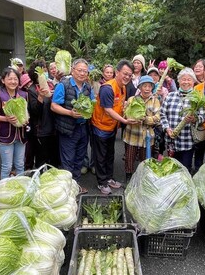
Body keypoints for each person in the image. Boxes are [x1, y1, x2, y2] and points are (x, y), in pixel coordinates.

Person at [92, 60, 137, 194]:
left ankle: (109, 178)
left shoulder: (123, 87)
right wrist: (125, 120)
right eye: (125, 74)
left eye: (130, 75)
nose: (127, 77)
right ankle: (101, 182)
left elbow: (120, 106)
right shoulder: (107, 88)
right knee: (100, 156)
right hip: (100, 127)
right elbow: (108, 110)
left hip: (111, 127)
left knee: (110, 155)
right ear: (117, 72)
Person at [51, 58, 94, 194]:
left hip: (83, 128)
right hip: (68, 129)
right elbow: (54, 106)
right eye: (79, 70)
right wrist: (70, 113)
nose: (82, 73)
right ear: (72, 71)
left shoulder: (87, 87)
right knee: (68, 160)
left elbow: (93, 103)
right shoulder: (63, 85)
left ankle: (76, 185)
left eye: (85, 71)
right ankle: (67, 189)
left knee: (79, 158)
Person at [0, 67, 28, 179]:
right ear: (3, 80)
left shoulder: (24, 95)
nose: (13, 81)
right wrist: (6, 119)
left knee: (20, 165)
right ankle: (4, 191)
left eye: (15, 79)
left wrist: (26, 119)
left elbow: (26, 113)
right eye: (10, 79)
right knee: (7, 166)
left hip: (21, 135)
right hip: (4, 135)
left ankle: (21, 188)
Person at [123, 75, 161, 181]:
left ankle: (143, 178)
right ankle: (128, 177)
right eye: (145, 86)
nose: (147, 88)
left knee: (145, 158)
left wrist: (145, 119)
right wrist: (130, 116)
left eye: (149, 86)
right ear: (140, 87)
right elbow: (125, 114)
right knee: (129, 157)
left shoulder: (155, 101)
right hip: (132, 133)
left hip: (147, 135)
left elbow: (157, 117)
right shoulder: (131, 99)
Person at [160, 67, 198, 171]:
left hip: (187, 142)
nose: (186, 82)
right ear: (178, 81)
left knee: (185, 169)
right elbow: (162, 114)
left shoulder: (197, 98)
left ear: (193, 81)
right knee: (172, 169)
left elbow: (203, 117)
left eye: (189, 79)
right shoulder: (170, 96)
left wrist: (194, 119)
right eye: (183, 79)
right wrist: (167, 128)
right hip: (171, 141)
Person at [27, 61, 60, 168]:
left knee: (54, 161)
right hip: (41, 131)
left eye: (45, 69)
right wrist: (40, 97)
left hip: (54, 129)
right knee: (42, 162)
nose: (45, 72)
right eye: (42, 70)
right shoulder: (32, 90)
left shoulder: (50, 85)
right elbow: (34, 112)